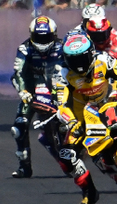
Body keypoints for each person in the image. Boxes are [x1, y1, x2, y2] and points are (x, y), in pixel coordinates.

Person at [54, 33, 117, 204]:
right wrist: (71, 122)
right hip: (82, 118)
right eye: (74, 60)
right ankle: (89, 191)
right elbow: (62, 105)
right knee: (66, 157)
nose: (79, 64)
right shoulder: (62, 75)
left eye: (83, 57)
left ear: (91, 53)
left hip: (111, 102)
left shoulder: (103, 60)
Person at [10, 16, 76, 179]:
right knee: (19, 127)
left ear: (53, 35)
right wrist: (23, 91)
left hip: (58, 92)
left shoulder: (63, 47)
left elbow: (73, 69)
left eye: (45, 37)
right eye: (38, 37)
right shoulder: (25, 49)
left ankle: (73, 159)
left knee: (67, 124)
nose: (42, 41)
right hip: (32, 94)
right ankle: (24, 167)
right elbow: (17, 74)